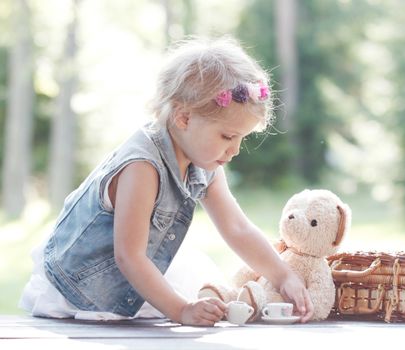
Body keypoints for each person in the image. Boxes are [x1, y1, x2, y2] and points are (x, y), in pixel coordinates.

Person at [19, 36, 314, 326]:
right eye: (227, 136)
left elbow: (236, 228)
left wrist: (283, 274)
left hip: (135, 269)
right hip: (85, 284)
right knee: (188, 299)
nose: (235, 150)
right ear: (183, 118)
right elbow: (129, 256)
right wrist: (181, 309)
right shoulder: (142, 166)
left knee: (208, 290)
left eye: (241, 139)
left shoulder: (205, 161)